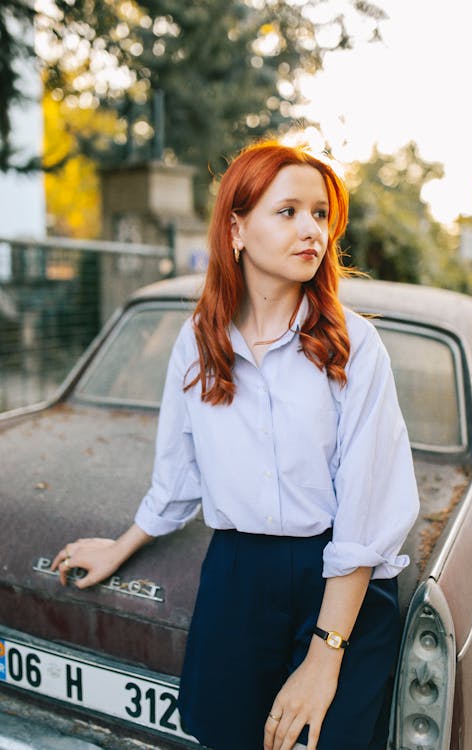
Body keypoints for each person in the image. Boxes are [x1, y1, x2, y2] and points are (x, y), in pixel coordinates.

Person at [51, 139, 420, 750]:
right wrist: (123, 545)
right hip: (237, 575)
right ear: (236, 228)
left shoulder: (354, 346)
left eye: (321, 214)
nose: (312, 230)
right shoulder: (197, 342)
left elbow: (367, 509)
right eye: (289, 211)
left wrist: (323, 659)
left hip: (337, 578)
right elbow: (178, 475)